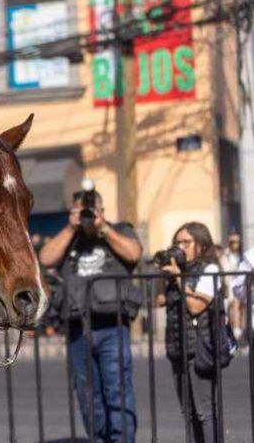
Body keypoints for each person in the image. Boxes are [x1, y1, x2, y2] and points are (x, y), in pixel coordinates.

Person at [39, 189, 142, 443]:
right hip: (77, 329)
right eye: (79, 211)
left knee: (118, 391)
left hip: (113, 328)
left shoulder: (119, 230)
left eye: (90, 211)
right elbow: (45, 258)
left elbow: (134, 253)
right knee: (88, 397)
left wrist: (103, 228)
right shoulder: (69, 237)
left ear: (102, 211)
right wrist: (70, 227)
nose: (86, 216)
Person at [157, 222, 226, 443]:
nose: (181, 247)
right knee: (188, 414)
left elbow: (196, 307)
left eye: (187, 242)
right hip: (177, 347)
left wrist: (179, 277)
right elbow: (159, 301)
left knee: (204, 412)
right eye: (177, 242)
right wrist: (165, 276)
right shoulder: (178, 273)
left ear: (202, 245)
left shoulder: (210, 270)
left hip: (200, 349)